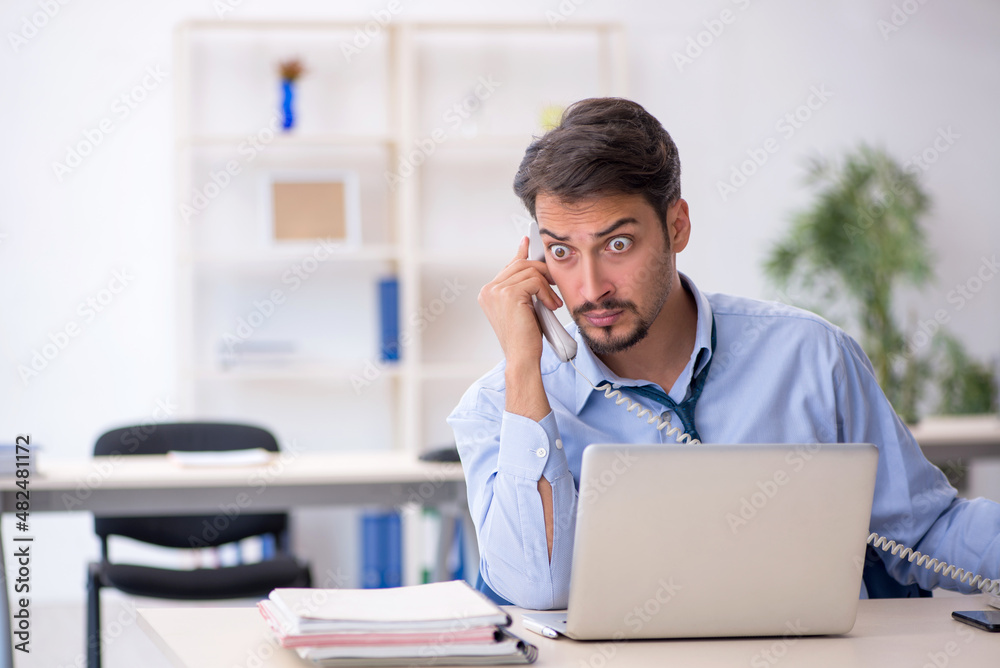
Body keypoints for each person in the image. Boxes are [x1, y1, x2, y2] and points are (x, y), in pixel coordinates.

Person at [446, 97, 1000, 610]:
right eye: (562, 251)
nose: (590, 289)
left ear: (676, 226)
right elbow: (537, 590)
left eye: (617, 245)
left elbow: (927, 534)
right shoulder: (500, 406)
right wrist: (524, 367)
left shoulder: (812, 357)